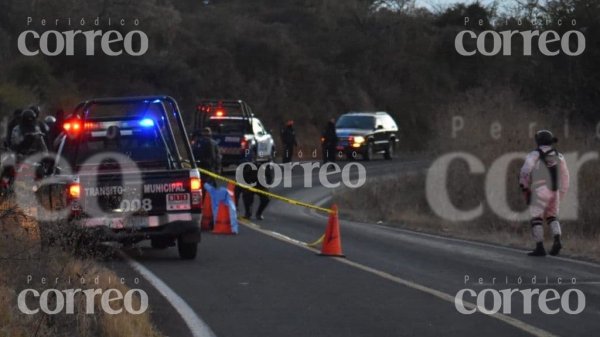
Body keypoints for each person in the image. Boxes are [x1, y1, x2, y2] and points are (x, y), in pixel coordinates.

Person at [519, 130, 570, 257]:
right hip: (555, 190)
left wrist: (525, 189)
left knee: (536, 218)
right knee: (552, 216)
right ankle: (557, 240)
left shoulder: (534, 154)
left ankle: (540, 247)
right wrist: (561, 193)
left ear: (538, 141)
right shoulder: (560, 156)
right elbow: (565, 177)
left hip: (539, 188)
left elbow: (525, 172)